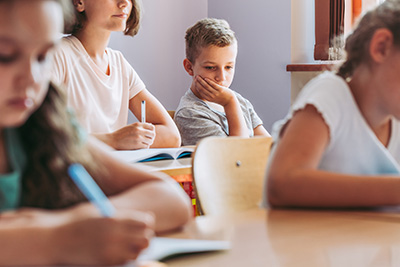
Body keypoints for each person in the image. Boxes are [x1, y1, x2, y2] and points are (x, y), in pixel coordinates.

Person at [0, 0, 192, 265]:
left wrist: (80, 225)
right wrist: (59, 236)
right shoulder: (67, 58)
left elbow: (173, 201)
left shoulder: (45, 125)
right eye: (5, 55)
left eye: (43, 56)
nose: (32, 78)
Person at [265, 0, 400, 208]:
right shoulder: (330, 95)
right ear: (381, 47)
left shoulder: (395, 121)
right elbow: (283, 182)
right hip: (299, 238)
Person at [52, 0, 181, 150]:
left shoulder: (118, 63)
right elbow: (43, 136)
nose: (124, 3)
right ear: (79, 2)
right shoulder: (57, 55)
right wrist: (112, 140)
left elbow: (171, 135)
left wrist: (130, 139)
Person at [174, 18, 270, 146]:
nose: (222, 77)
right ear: (189, 67)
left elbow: (269, 146)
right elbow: (235, 158)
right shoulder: (189, 114)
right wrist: (229, 103)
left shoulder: (238, 100)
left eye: (228, 67)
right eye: (210, 68)